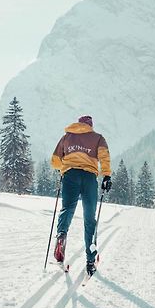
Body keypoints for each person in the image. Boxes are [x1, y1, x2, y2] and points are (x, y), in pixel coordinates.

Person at [51, 115, 112, 276]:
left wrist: (64, 167)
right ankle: (90, 260)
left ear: (78, 123)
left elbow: (55, 161)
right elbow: (104, 157)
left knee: (67, 209)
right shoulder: (98, 138)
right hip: (89, 178)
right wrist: (106, 175)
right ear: (90, 125)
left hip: (70, 176)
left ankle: (61, 234)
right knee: (89, 217)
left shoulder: (67, 137)